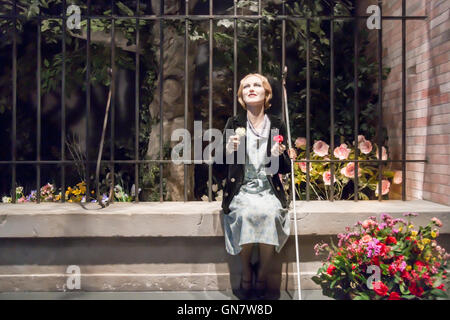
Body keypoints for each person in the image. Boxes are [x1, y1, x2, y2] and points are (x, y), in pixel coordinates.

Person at [213, 73, 296, 299]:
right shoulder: (234, 123)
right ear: (241, 96)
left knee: (270, 214)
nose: (251, 88)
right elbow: (217, 168)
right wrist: (228, 151)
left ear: (266, 93)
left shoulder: (277, 123)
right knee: (246, 213)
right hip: (241, 190)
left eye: (257, 85)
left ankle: (262, 272)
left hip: (268, 189)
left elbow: (285, 168)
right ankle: (247, 270)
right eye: (246, 86)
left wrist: (278, 156)